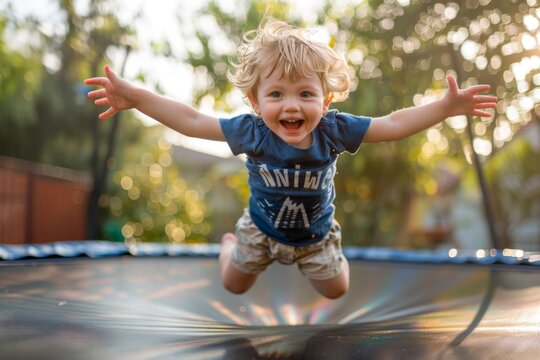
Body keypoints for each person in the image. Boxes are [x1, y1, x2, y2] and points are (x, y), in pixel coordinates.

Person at [84, 19, 497, 299]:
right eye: (276, 94)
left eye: (305, 94)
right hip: (259, 231)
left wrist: (442, 108)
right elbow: (191, 120)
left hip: (315, 237)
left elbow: (391, 124)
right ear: (255, 100)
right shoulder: (252, 131)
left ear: (326, 99)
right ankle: (230, 247)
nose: (291, 106)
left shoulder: (334, 130)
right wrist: (136, 97)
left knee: (337, 290)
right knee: (233, 285)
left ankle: (336, 254)